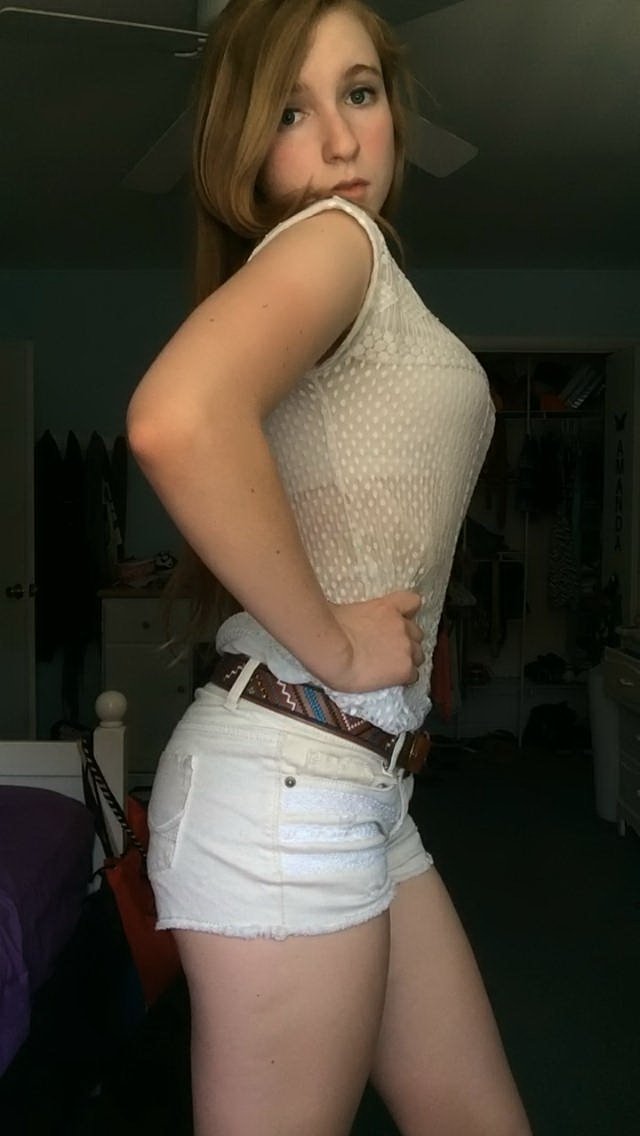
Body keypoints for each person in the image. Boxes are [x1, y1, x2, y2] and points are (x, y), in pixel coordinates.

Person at [127, 1, 533, 1133]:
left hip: (358, 784)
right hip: (292, 784)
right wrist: (339, 644)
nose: (343, 140)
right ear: (243, 149)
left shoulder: (352, 270)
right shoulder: (335, 240)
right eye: (289, 112)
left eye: (359, 93)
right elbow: (174, 418)